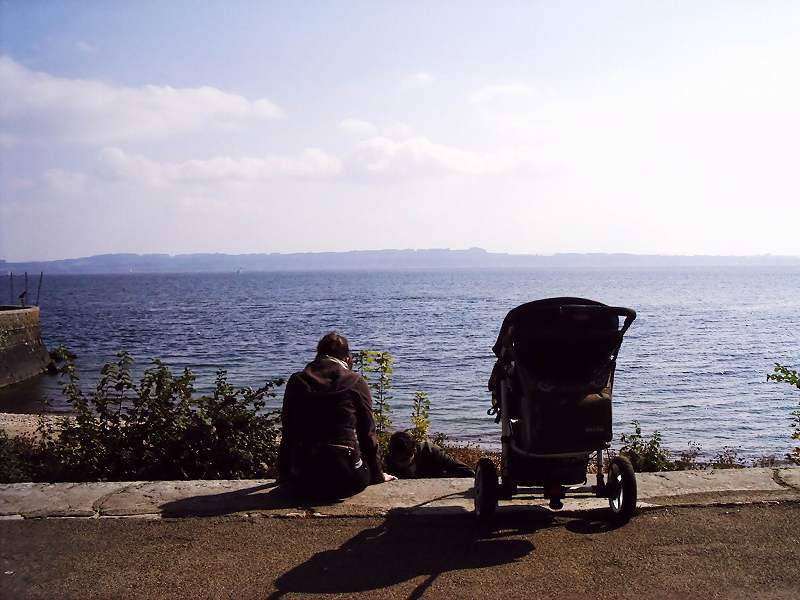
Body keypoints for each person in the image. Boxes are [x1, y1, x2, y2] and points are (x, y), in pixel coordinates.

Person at [278, 332, 395, 500]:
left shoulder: (298, 381)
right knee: (358, 466)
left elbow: (288, 431)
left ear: (318, 355)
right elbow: (367, 434)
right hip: (348, 479)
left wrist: (284, 474)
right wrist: (377, 474)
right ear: (347, 358)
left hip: (305, 479)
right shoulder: (355, 381)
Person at [385, 431, 475, 479]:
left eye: (404, 459)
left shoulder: (431, 451)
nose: (401, 464)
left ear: (414, 450)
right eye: (397, 461)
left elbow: (467, 471)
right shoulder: (391, 459)